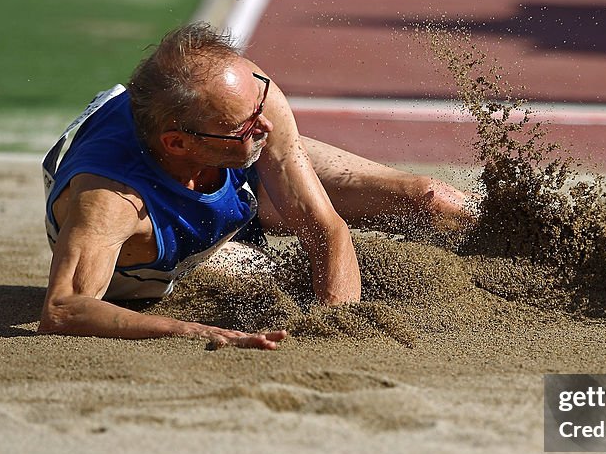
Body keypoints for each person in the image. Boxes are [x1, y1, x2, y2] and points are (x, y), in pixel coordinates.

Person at [39, 22, 472, 350]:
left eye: (258, 103)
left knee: (425, 198)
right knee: (274, 285)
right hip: (174, 257)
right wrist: (197, 331)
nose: (265, 123)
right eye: (246, 124)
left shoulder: (249, 98)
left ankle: (531, 234)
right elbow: (62, 310)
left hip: (227, 166)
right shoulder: (111, 201)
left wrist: (340, 330)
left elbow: (324, 226)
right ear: (178, 142)